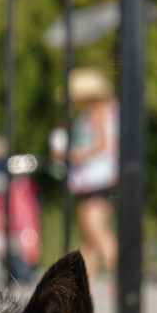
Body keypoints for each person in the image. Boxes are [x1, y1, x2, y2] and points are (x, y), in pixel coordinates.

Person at [49, 65, 118, 280]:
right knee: (90, 233)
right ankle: (85, 280)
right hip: (102, 176)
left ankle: (119, 273)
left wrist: (75, 154)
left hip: (98, 177)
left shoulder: (98, 111)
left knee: (94, 229)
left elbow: (102, 144)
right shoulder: (110, 109)